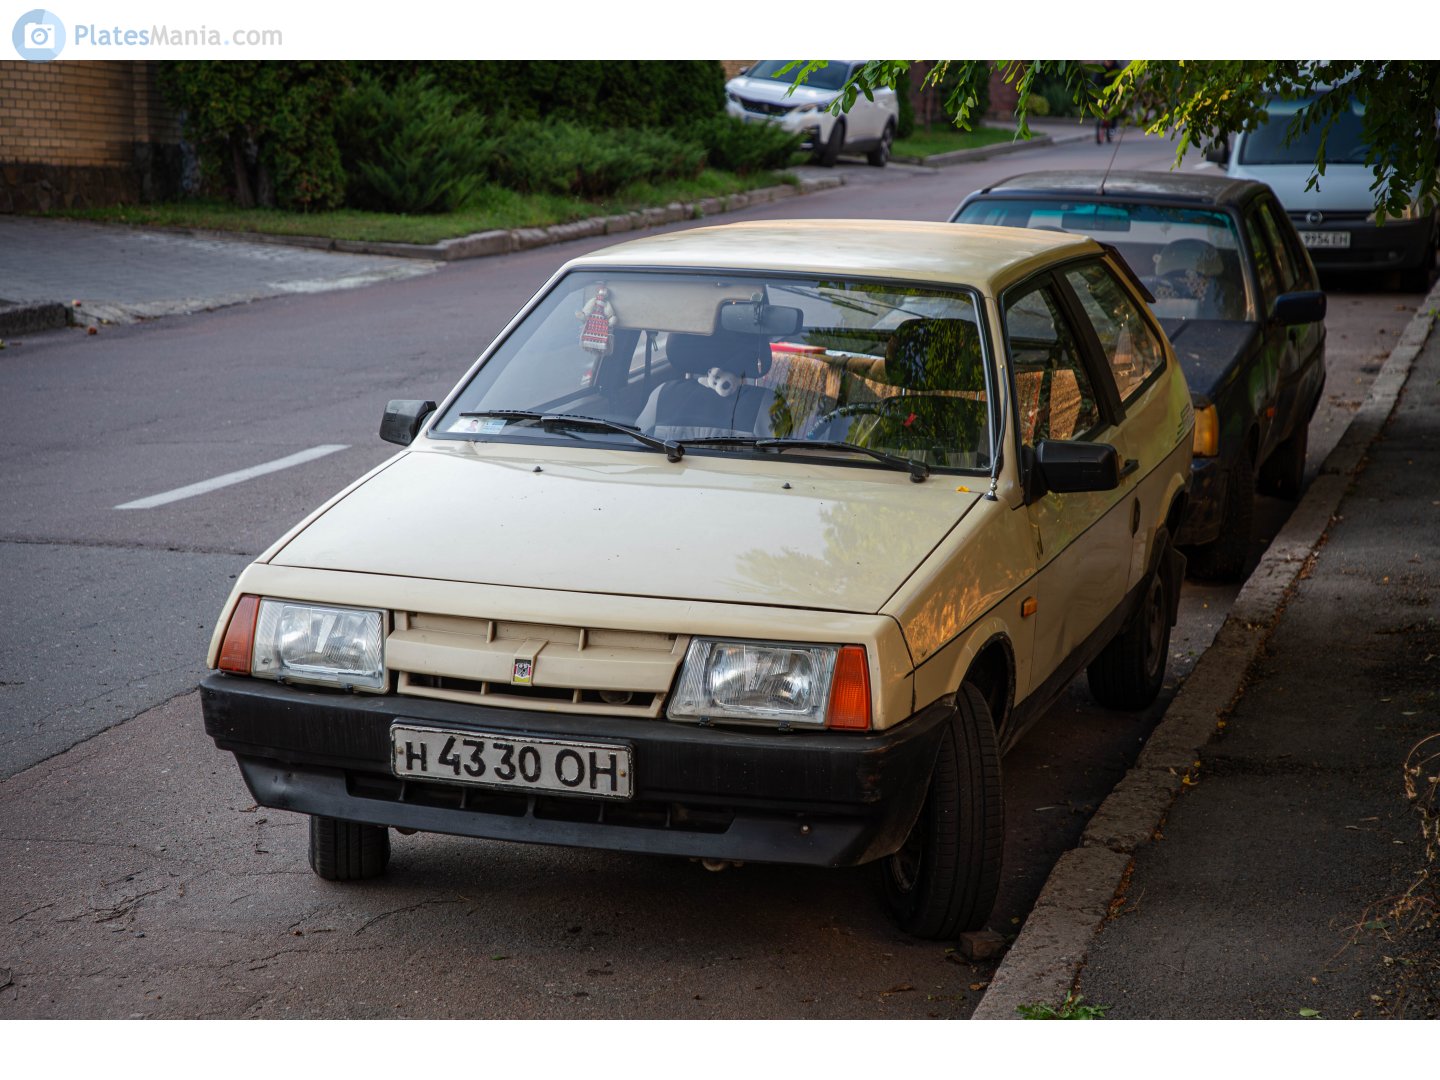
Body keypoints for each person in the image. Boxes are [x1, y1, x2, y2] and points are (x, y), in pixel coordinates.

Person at [1094, 60, 1121, 143]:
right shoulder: (1100, 68)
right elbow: (1095, 81)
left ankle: (1112, 127)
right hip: (1102, 92)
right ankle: (1098, 123)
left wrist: (1117, 89)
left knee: (1114, 109)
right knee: (1098, 107)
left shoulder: (1116, 67)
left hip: (1113, 93)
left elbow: (1119, 80)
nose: (1108, 61)